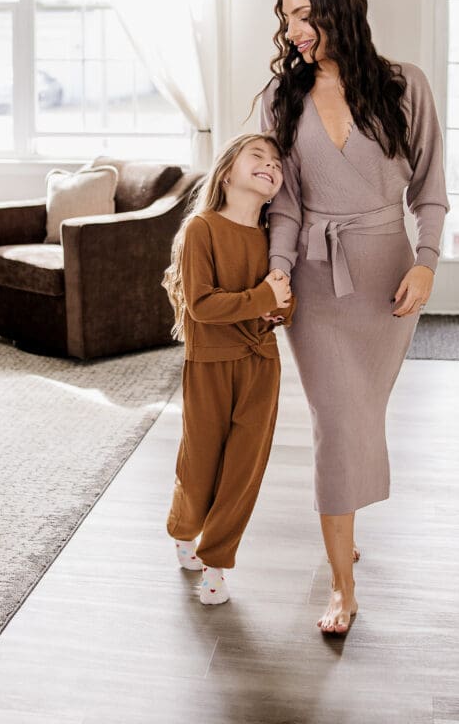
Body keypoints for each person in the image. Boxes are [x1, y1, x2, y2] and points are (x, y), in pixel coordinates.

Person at [255, 0, 450, 634]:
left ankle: (344, 523)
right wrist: (277, 277)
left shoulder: (404, 86)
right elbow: (282, 207)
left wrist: (426, 263)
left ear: (342, 9)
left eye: (304, 13)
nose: (293, 29)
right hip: (312, 279)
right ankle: (342, 586)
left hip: (386, 278)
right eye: (286, 16)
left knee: (361, 413)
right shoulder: (281, 98)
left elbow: (429, 190)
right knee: (335, 424)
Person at [162, 132, 297, 606]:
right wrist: (263, 298)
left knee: (244, 469)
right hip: (210, 366)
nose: (270, 166)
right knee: (200, 462)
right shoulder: (202, 229)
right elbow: (201, 305)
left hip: (261, 365)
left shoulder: (272, 241)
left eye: (278, 164)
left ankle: (217, 562)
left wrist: (281, 307)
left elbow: (282, 302)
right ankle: (184, 528)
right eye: (257, 157)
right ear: (226, 172)